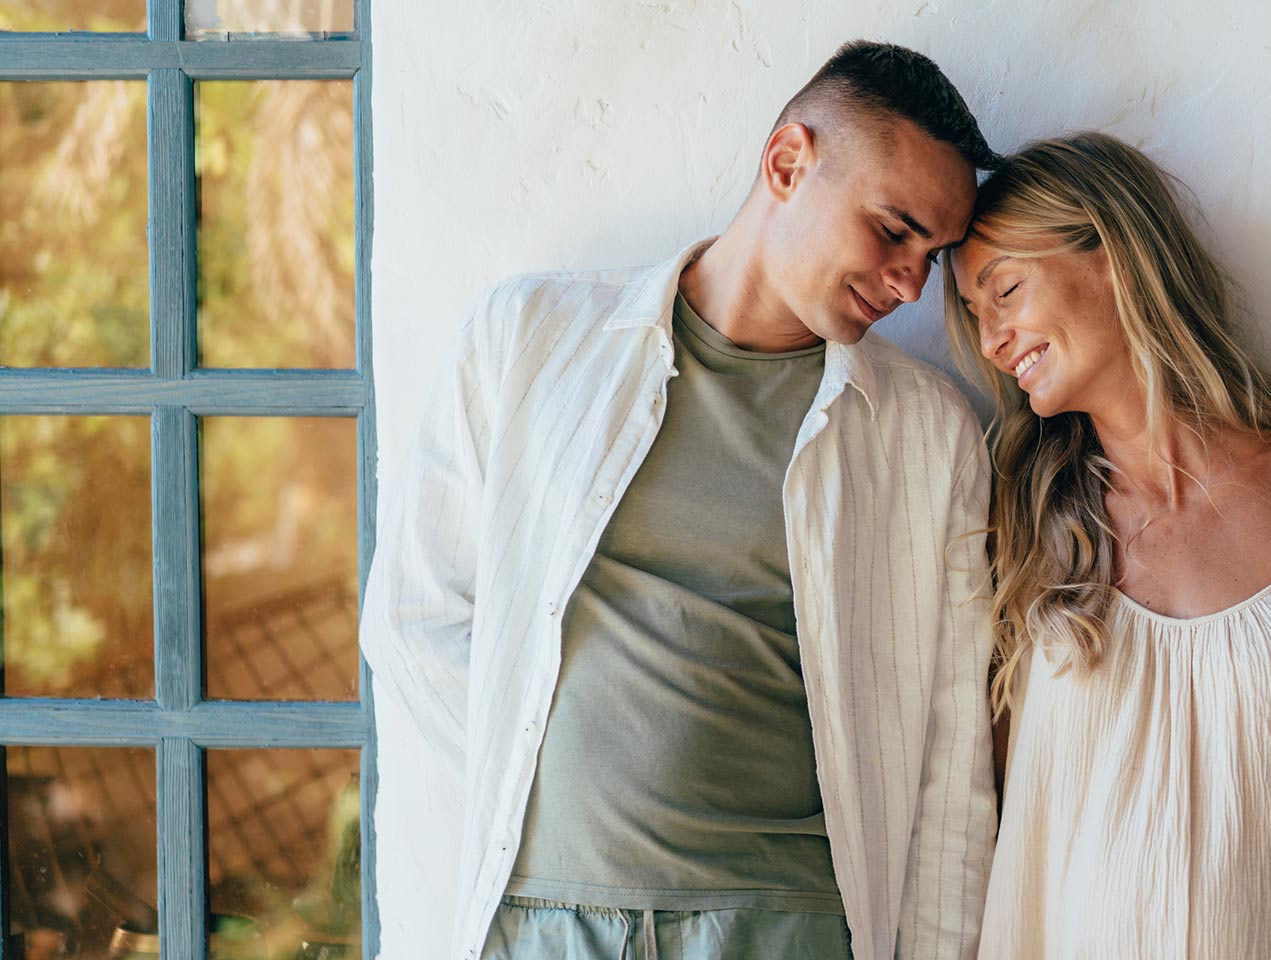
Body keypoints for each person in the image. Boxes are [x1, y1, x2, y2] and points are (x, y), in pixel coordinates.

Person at [360, 41, 1000, 960]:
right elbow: (416, 617)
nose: (907, 284)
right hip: (542, 919)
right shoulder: (529, 341)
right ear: (787, 163)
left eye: (932, 257)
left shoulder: (926, 433)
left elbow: (948, 759)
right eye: (895, 230)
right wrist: (546, 772)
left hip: (788, 923)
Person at [944, 132, 1271, 960]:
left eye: (1004, 290)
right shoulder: (1016, 524)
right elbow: (991, 815)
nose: (992, 341)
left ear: (1113, 253)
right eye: (974, 316)